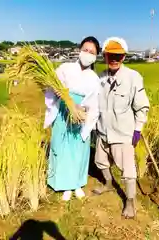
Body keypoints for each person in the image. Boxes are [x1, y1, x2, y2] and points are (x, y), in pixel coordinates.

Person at [93, 37, 150, 218]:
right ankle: (109, 184)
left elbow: (141, 107)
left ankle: (130, 202)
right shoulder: (100, 78)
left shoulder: (133, 77)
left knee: (128, 171)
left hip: (123, 133)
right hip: (103, 130)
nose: (114, 59)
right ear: (105, 56)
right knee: (100, 161)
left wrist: (137, 129)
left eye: (118, 55)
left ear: (124, 57)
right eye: (110, 55)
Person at [44, 36, 100, 201]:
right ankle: (65, 184)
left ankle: (76, 183)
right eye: (85, 50)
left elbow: (95, 102)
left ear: (95, 56)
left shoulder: (94, 78)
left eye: (92, 52)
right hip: (63, 110)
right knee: (62, 147)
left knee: (78, 148)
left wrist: (83, 110)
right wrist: (58, 92)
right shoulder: (65, 68)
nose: (87, 53)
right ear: (79, 50)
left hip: (81, 114)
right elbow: (50, 85)